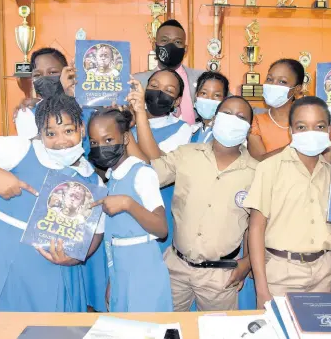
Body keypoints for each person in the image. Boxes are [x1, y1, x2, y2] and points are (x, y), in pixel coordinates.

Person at [0, 95, 108, 312]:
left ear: (81, 128)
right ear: (40, 134)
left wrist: (72, 259)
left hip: (56, 269)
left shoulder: (93, 180)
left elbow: (95, 233)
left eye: (68, 131)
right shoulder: (23, 150)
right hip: (4, 257)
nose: (60, 140)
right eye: (50, 133)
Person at [131, 93, 258, 312]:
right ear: (215, 119)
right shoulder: (186, 155)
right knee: (168, 329)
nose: (232, 119)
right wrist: (125, 133)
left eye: (240, 116)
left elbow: (255, 225)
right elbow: (150, 173)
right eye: (227, 113)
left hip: (221, 276)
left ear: (248, 129)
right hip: (176, 268)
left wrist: (247, 262)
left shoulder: (257, 172)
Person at [245, 96, 331, 309]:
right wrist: (262, 290)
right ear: (291, 131)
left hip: (322, 272)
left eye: (319, 126)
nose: (311, 133)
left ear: (329, 131)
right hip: (280, 275)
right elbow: (256, 228)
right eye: (302, 126)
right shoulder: (269, 168)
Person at [87, 108, 172, 312]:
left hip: (142, 267)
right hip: (119, 267)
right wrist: (112, 281)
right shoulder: (112, 177)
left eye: (108, 140)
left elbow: (161, 229)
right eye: (94, 142)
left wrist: (128, 204)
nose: (101, 147)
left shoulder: (141, 173)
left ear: (125, 138)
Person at [127, 69, 192, 254]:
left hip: (158, 211)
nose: (159, 92)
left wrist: (139, 115)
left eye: (169, 90)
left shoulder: (182, 129)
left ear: (177, 101)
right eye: (154, 86)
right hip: (124, 207)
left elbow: (155, 163)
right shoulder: (127, 118)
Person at [14, 47, 95, 155]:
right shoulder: (27, 113)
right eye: (38, 75)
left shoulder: (90, 107)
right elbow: (39, 154)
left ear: (67, 73)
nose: (45, 78)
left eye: (52, 72)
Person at [134, 19, 205, 125]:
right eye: (164, 40)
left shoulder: (203, 79)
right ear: (154, 45)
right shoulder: (136, 82)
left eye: (177, 42)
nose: (171, 46)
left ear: (185, 50)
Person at [248, 59, 304, 161]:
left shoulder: (308, 122)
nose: (273, 85)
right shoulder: (255, 122)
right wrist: (297, 145)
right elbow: (259, 161)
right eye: (269, 79)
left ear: (297, 89)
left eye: (282, 81)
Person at [191, 71, 229, 144]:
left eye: (216, 95)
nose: (209, 99)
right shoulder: (192, 130)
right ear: (196, 96)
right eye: (204, 93)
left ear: (224, 99)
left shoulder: (228, 131)